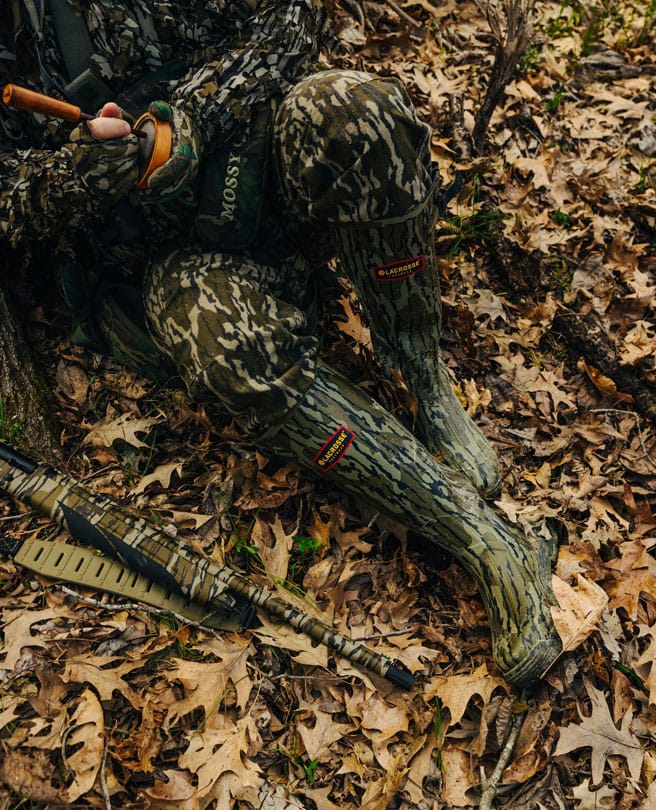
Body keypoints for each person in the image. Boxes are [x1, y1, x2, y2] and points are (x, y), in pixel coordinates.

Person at [0, 0, 562, 685]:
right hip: (170, 262)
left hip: (264, 170)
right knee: (227, 346)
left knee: (362, 111)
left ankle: (426, 382)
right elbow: (8, 200)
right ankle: (490, 543)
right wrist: (80, 174)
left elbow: (295, 20)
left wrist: (188, 121)